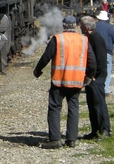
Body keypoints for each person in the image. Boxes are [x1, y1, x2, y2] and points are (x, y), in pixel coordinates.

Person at [34, 15, 97, 149]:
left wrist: (38, 70)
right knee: (73, 108)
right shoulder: (84, 40)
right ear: (75, 26)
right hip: (77, 80)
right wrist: (89, 76)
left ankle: (55, 139)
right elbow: (92, 61)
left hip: (59, 80)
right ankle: (71, 139)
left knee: (55, 108)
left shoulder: (58, 39)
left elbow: (46, 57)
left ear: (63, 25)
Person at [80, 16, 111, 139]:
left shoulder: (96, 39)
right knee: (91, 103)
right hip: (90, 76)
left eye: (81, 26)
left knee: (99, 103)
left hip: (96, 76)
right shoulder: (89, 38)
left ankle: (105, 130)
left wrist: (94, 75)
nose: (80, 28)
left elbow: (101, 60)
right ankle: (95, 129)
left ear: (87, 28)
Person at [95, 10, 114, 95]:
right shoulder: (110, 27)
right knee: (107, 70)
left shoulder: (94, 26)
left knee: (96, 69)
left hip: (95, 51)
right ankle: (105, 90)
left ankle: (96, 88)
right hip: (107, 51)